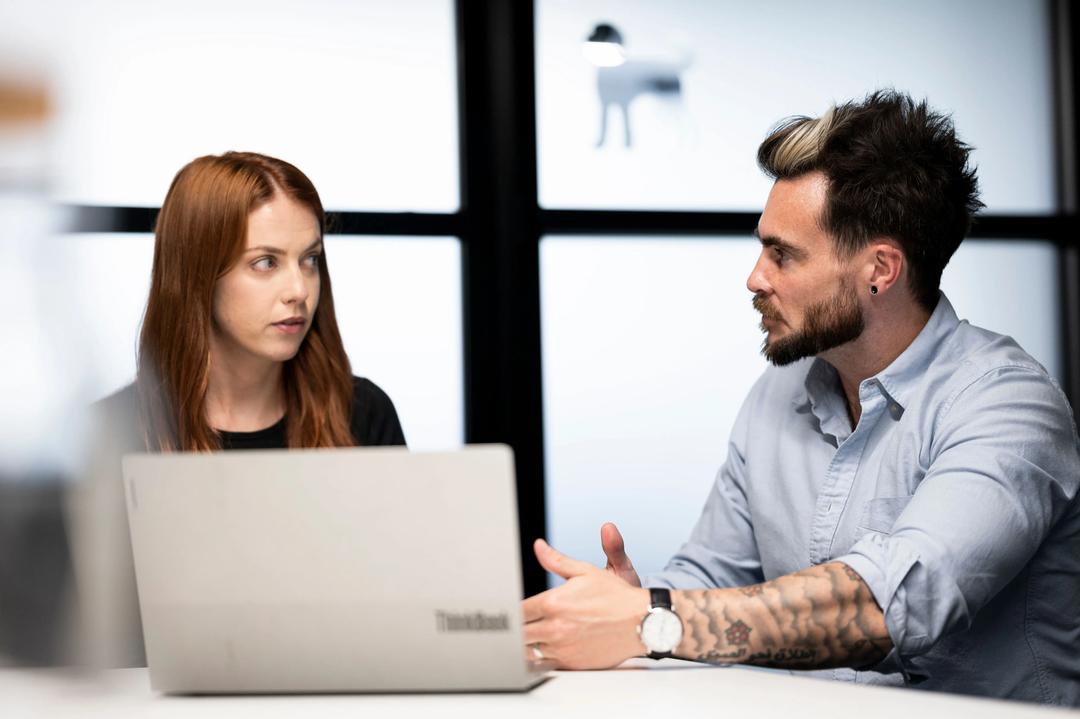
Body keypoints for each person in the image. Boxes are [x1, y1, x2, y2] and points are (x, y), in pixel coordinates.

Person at [521, 91, 1080, 705]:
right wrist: (634, 603)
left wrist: (652, 620)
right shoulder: (780, 392)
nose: (755, 278)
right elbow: (710, 579)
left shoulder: (1008, 405)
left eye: (782, 254)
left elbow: (883, 605)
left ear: (881, 269)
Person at [70, 152, 405, 666]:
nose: (298, 290)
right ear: (199, 275)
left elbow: (401, 616)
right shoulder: (107, 434)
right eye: (266, 263)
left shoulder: (362, 411)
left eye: (309, 259)